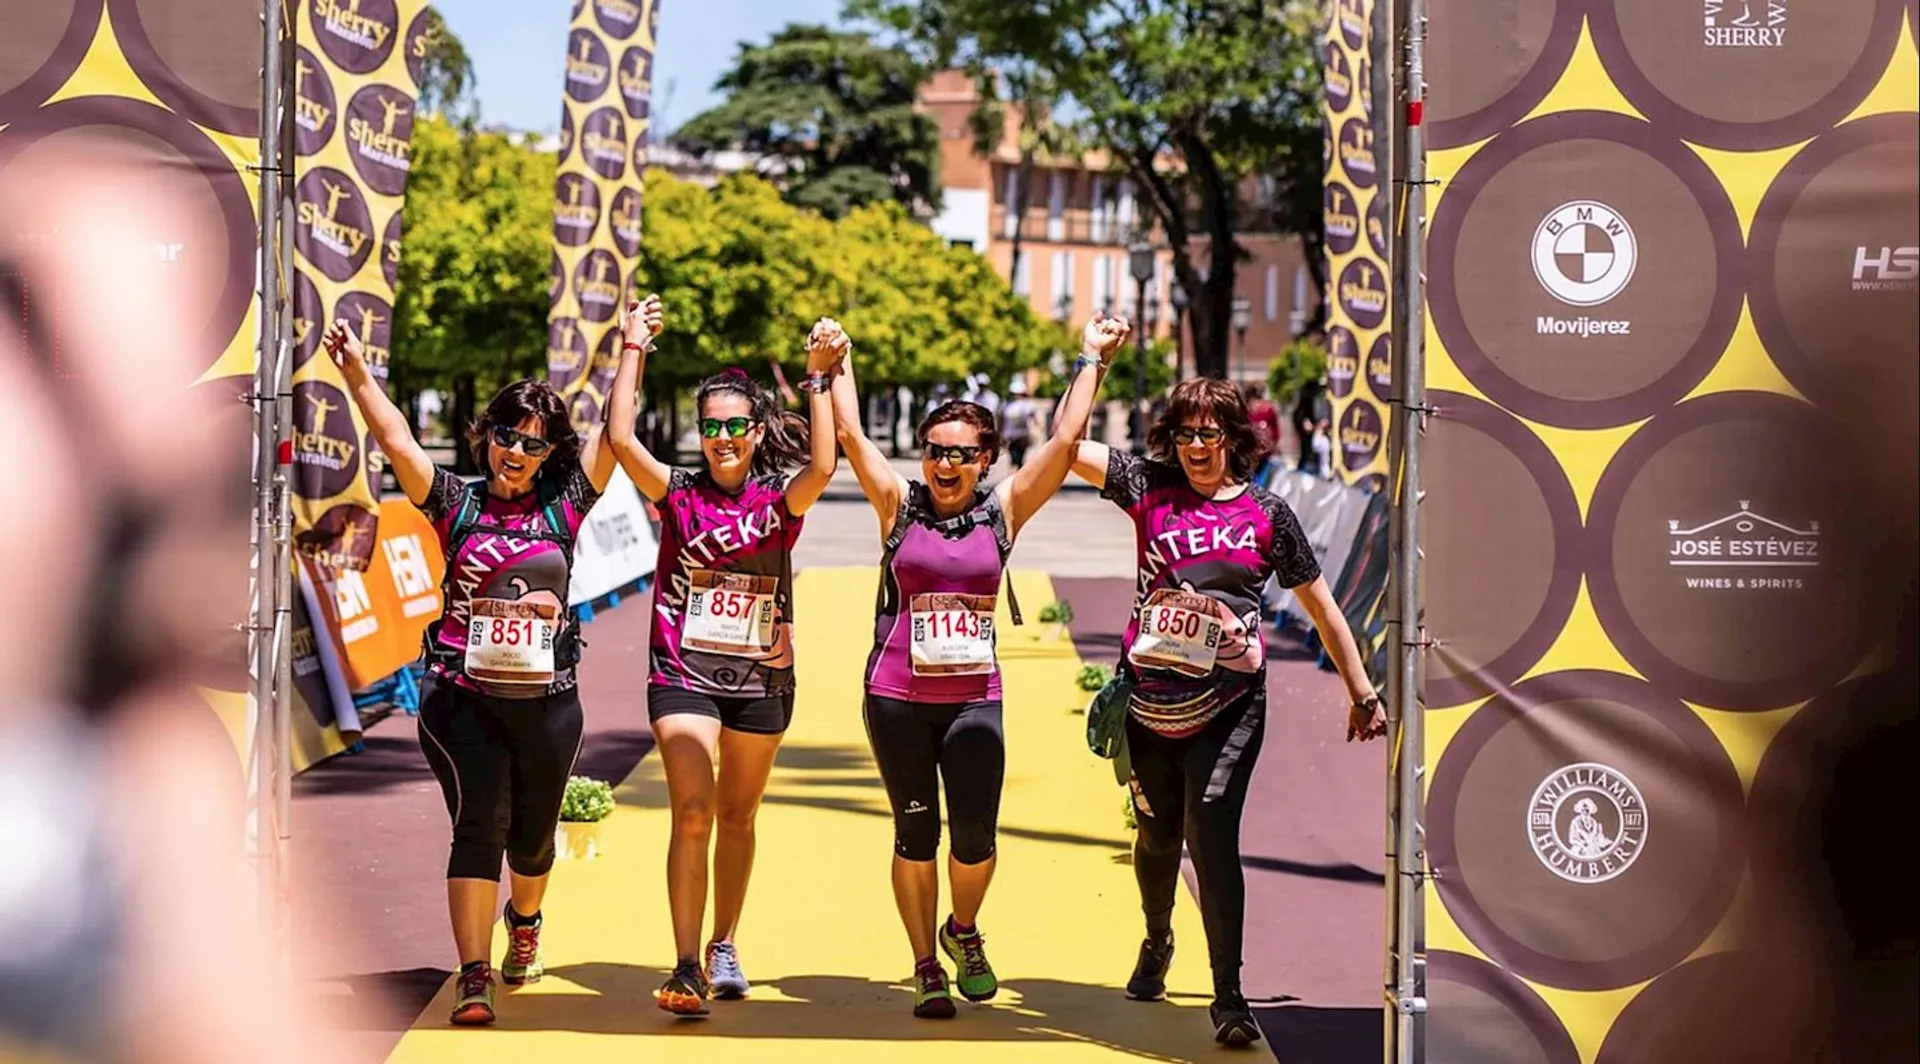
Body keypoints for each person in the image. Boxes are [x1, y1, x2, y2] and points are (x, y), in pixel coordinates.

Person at [322, 307, 634, 1026]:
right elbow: (397, 439)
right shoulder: (454, 504)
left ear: (551, 451)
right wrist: (359, 377)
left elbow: (616, 441)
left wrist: (631, 350)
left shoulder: (565, 507)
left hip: (548, 701)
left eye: (532, 443)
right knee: (478, 824)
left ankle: (525, 924)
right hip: (460, 697)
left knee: (531, 836)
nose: (515, 453)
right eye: (505, 437)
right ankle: (473, 971)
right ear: (485, 438)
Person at [829, 313, 1132, 1018]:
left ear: (985, 459)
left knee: (973, 840)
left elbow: (1063, 444)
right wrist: (836, 362)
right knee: (915, 831)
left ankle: (962, 929)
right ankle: (925, 964)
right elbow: (851, 438)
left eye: (960, 454)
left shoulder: (1003, 514)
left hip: (974, 700)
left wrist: (1093, 358)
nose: (943, 465)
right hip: (896, 695)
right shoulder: (898, 506)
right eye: (935, 451)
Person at [1070, 376, 1387, 1048]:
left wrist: (1361, 690)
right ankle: (1158, 938)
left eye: (1208, 433)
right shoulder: (1147, 487)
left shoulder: (1269, 513)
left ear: (1234, 438)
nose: (1194, 447)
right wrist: (1091, 361)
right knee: (1158, 837)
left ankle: (1230, 996)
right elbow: (1065, 444)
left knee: (1209, 830)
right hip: (1149, 702)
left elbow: (1323, 605)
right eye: (1183, 433)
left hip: (1231, 703)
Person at [602, 299, 840, 1016]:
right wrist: (632, 348)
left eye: (736, 425)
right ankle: (682, 964)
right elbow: (619, 439)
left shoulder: (776, 500)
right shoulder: (677, 494)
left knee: (737, 816)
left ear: (755, 431)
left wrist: (820, 379)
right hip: (682, 675)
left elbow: (825, 464)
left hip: (762, 679)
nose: (723, 438)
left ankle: (724, 943)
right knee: (694, 810)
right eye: (711, 427)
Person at [1243, 382, 1283, 486]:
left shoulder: (1244, 410)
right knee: (1263, 483)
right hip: (1265, 452)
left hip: (1249, 453)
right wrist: (1272, 446)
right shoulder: (1268, 409)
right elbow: (1276, 432)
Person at [1000, 378, 1040, 469]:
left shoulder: (1027, 405)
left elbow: (1034, 417)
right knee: (1013, 458)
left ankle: (1017, 474)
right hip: (1010, 436)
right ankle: (1015, 476)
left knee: (1019, 458)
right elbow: (1001, 420)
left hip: (1022, 436)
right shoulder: (1006, 405)